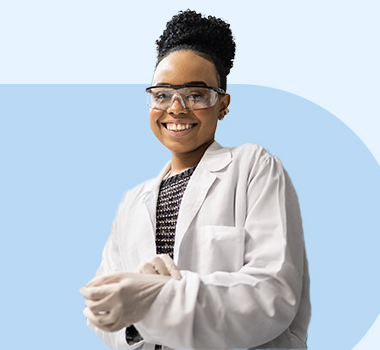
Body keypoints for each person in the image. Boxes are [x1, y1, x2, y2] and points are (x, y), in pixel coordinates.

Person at [80, 10, 311, 350]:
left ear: (223, 104)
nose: (176, 108)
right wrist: (130, 320)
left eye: (196, 94)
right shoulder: (133, 202)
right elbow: (101, 304)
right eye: (162, 95)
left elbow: (272, 295)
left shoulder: (253, 167)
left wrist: (158, 298)